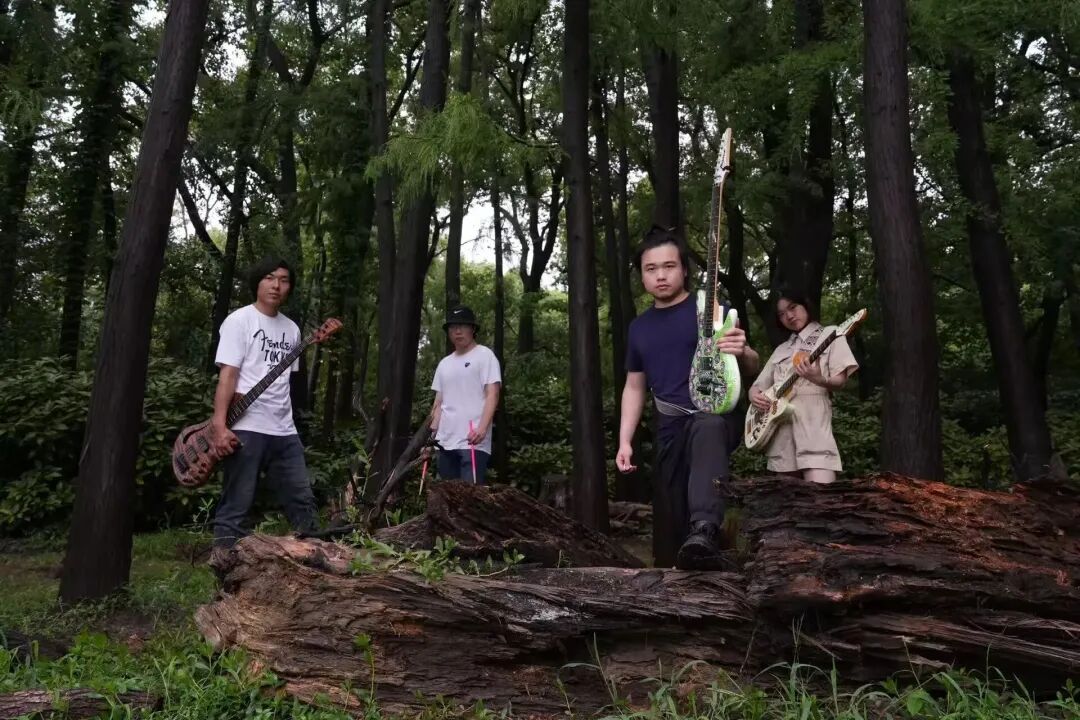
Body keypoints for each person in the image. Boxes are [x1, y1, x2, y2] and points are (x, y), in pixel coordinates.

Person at [615, 226, 760, 569]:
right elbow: (634, 386)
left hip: (715, 416)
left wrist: (743, 351)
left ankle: (706, 528)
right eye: (651, 269)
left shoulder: (712, 311)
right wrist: (624, 441)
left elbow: (753, 364)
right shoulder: (639, 328)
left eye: (669, 266)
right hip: (669, 427)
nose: (660, 275)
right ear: (642, 275)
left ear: (684, 270)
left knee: (707, 427)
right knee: (671, 527)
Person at [209, 257, 317, 549]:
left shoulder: (292, 330)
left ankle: (315, 567)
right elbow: (228, 376)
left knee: (303, 502)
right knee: (236, 505)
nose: (276, 285)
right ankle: (223, 566)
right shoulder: (239, 321)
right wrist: (219, 426)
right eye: (269, 278)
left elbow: (285, 383)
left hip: (284, 429)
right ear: (257, 283)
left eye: (284, 280)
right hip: (246, 427)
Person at [748, 292, 859, 484]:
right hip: (781, 436)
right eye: (782, 314)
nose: (789, 316)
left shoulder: (831, 333)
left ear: (806, 305)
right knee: (787, 502)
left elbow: (840, 382)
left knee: (821, 499)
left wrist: (818, 378)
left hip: (815, 430)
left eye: (793, 307)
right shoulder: (781, 349)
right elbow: (757, 386)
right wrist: (753, 395)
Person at [429, 305, 502, 484]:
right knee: (446, 494)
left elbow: (493, 394)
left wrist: (482, 428)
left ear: (473, 329)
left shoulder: (485, 356)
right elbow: (438, 403)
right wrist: (429, 439)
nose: (458, 331)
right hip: (444, 441)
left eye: (462, 326)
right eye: (453, 327)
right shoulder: (444, 364)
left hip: (473, 440)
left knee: (470, 495)